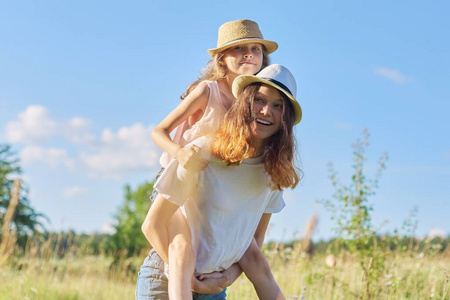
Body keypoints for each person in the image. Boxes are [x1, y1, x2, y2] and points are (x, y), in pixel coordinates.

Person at [136, 19, 278, 298]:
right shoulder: (207, 91)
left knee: (252, 255)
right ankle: (188, 285)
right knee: (181, 247)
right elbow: (159, 131)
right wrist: (180, 152)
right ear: (222, 58)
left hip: (213, 190)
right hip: (179, 183)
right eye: (238, 48)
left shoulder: (252, 103)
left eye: (255, 49)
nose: (248, 54)